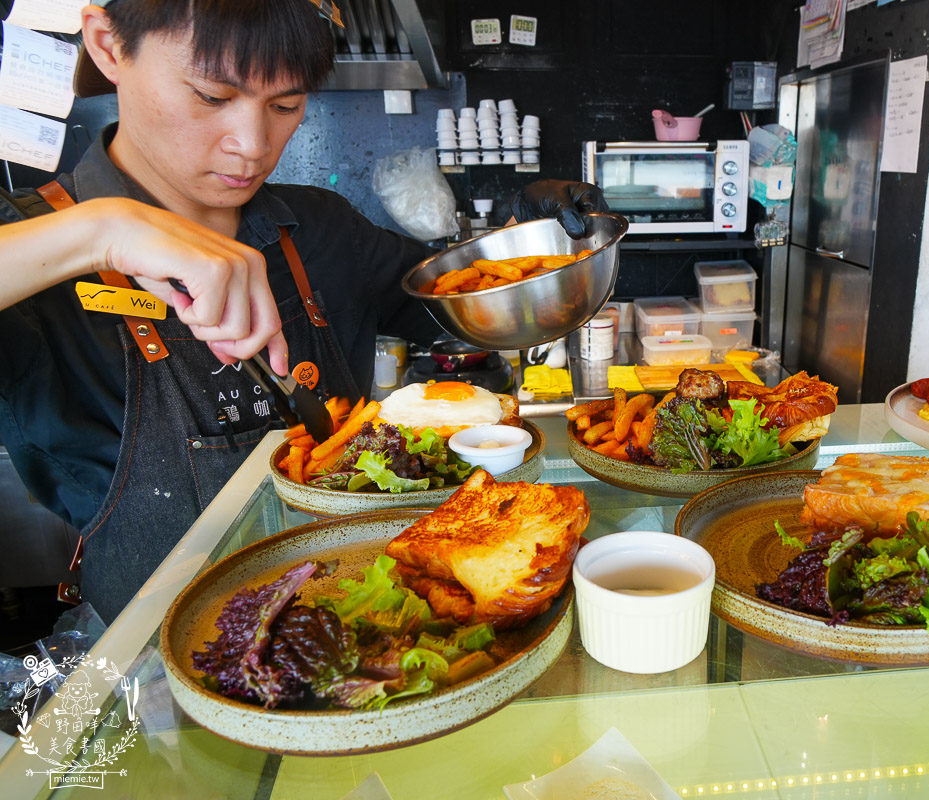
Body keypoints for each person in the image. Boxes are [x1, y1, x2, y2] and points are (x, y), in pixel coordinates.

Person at [0, 0, 608, 624]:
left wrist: (523, 244)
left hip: (363, 619)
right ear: (108, 46)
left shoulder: (318, 227)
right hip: (160, 656)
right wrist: (101, 231)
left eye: (286, 105)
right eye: (211, 96)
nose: (251, 145)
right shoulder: (26, 244)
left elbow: (455, 306)